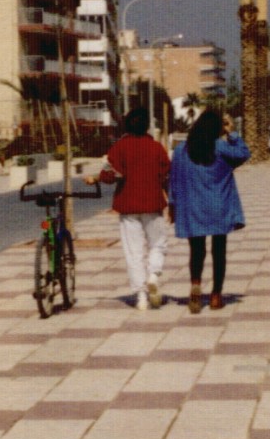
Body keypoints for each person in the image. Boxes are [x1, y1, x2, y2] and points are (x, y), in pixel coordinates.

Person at [168, 108, 249, 313]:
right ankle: (215, 295)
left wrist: (172, 204)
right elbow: (244, 154)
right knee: (218, 251)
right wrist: (232, 133)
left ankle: (195, 284)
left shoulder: (181, 150)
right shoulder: (221, 148)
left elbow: (174, 180)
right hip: (218, 206)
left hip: (192, 208)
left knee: (197, 250)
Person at [100, 106, 171, 311]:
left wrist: (101, 175)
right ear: (147, 126)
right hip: (153, 204)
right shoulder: (157, 148)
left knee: (134, 251)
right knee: (158, 243)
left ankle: (141, 296)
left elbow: (108, 175)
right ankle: (153, 275)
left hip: (128, 205)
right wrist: (171, 199)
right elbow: (167, 174)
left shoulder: (119, 147)